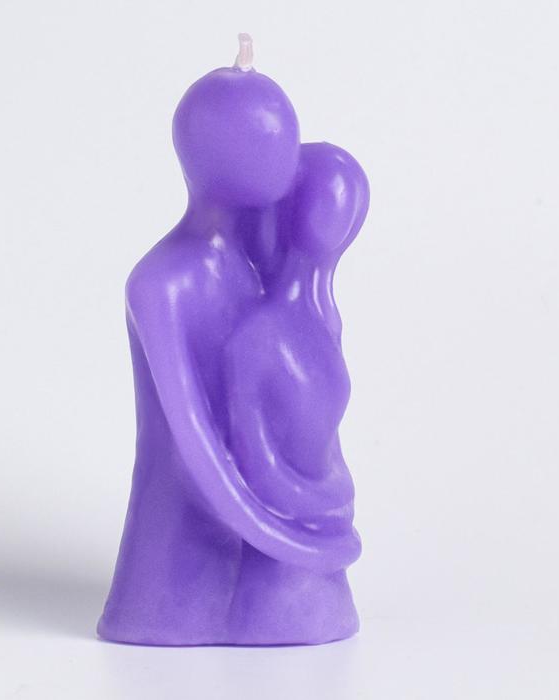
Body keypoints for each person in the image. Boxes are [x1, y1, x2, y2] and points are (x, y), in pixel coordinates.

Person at [98, 64, 368, 645]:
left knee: (296, 605)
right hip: (185, 527)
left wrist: (308, 519)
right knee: (185, 604)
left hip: (276, 507)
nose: (290, 154)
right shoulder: (162, 283)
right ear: (222, 159)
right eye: (272, 141)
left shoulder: (262, 256)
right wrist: (287, 534)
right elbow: (194, 439)